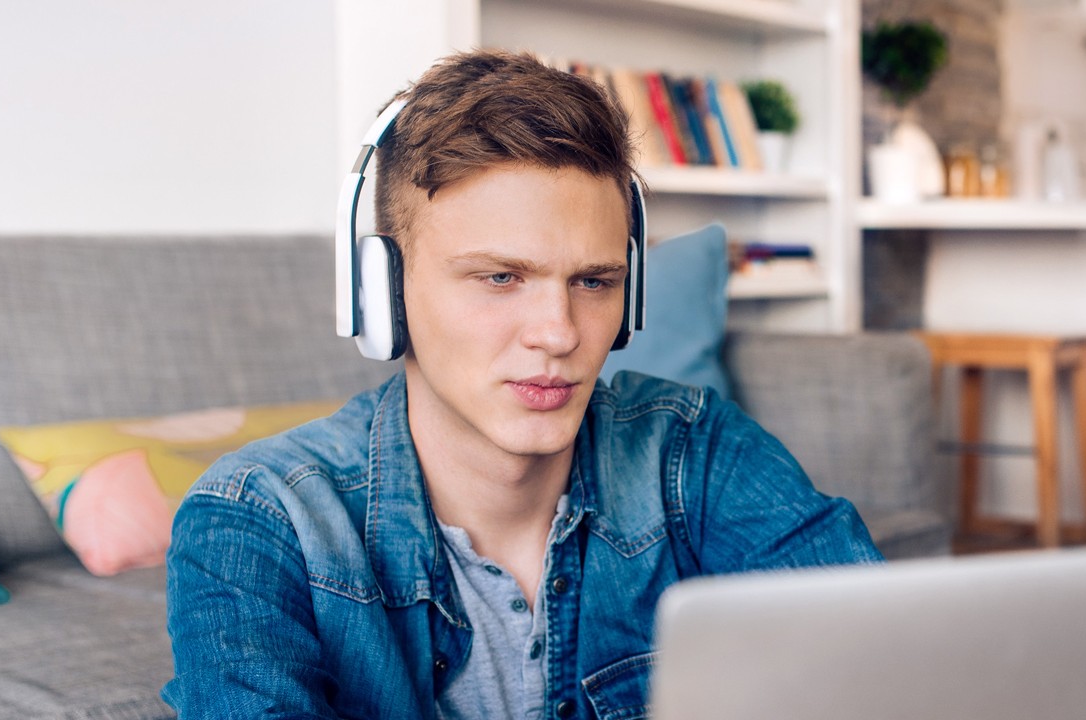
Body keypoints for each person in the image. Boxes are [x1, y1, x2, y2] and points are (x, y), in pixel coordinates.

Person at [161, 49, 882, 719]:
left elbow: (879, 670)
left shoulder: (696, 451)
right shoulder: (258, 522)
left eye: (594, 281)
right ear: (379, 294)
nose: (559, 333)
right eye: (500, 277)